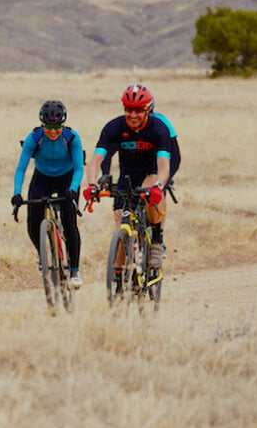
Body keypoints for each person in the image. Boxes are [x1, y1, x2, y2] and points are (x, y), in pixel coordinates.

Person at [84, 84, 175, 273]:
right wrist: (92, 184)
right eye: (128, 109)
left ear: (147, 109)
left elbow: (164, 165)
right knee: (121, 226)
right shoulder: (114, 127)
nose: (133, 114)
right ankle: (118, 276)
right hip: (127, 178)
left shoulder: (158, 128)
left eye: (138, 110)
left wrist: (159, 185)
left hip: (151, 173)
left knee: (150, 192)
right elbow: (96, 160)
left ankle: (156, 240)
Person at [10, 100, 86, 287]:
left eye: (57, 127)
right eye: (49, 127)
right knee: (32, 222)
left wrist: (73, 189)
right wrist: (17, 193)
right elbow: (21, 169)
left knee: (69, 223)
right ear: (43, 124)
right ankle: (42, 253)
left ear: (63, 124)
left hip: (66, 179)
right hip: (42, 178)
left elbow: (78, 169)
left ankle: (74, 270)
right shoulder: (34, 138)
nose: (53, 131)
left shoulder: (72, 138)